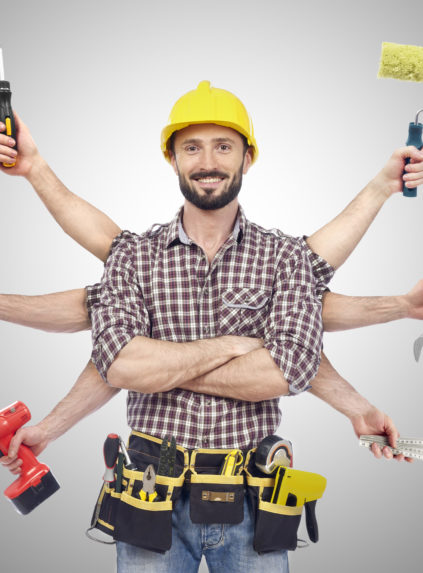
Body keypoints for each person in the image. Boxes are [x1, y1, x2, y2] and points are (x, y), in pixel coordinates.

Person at [1, 81, 422, 572]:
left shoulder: (286, 260)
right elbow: (115, 363)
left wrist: (156, 361)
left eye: (224, 146)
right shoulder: (134, 257)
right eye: (191, 147)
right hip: (148, 494)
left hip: (253, 500)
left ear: (247, 158)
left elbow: (285, 371)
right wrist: (235, 344)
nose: (208, 161)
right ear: (172, 159)